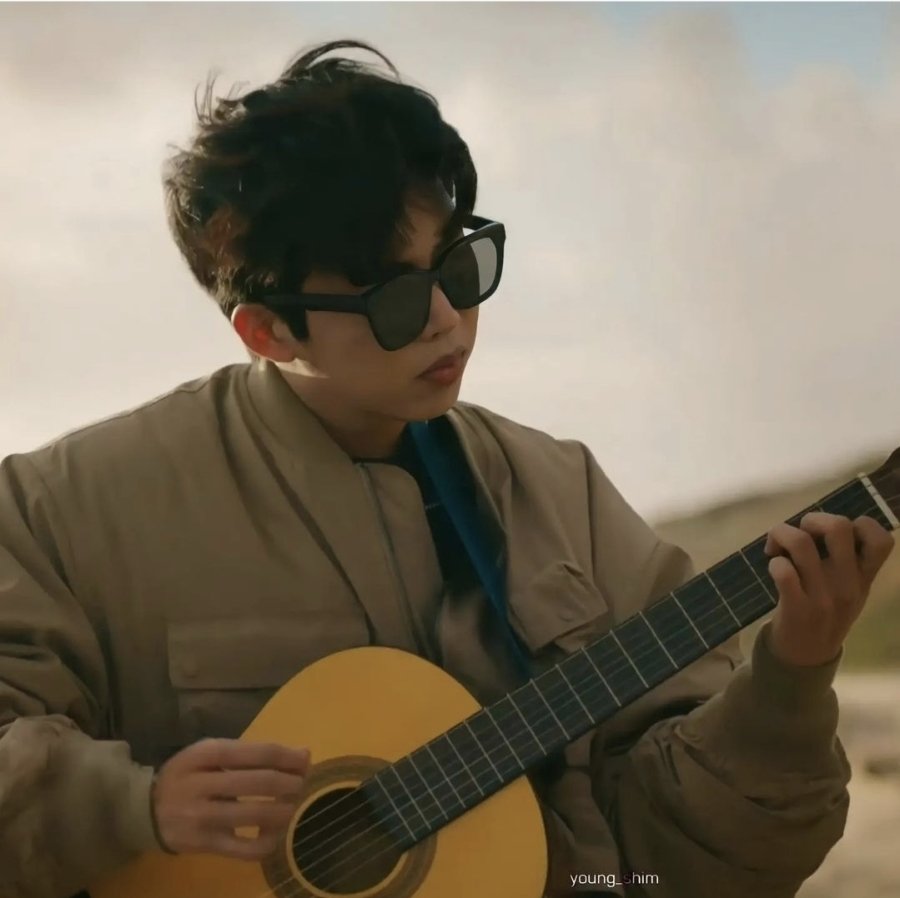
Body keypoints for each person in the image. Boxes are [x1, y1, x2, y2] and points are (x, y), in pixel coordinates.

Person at [0, 38, 894, 898]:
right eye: (393, 298)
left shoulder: (563, 496)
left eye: (458, 266)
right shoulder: (63, 514)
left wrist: (790, 676)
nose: (445, 320)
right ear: (268, 332)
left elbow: (667, 864)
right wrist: (129, 808)